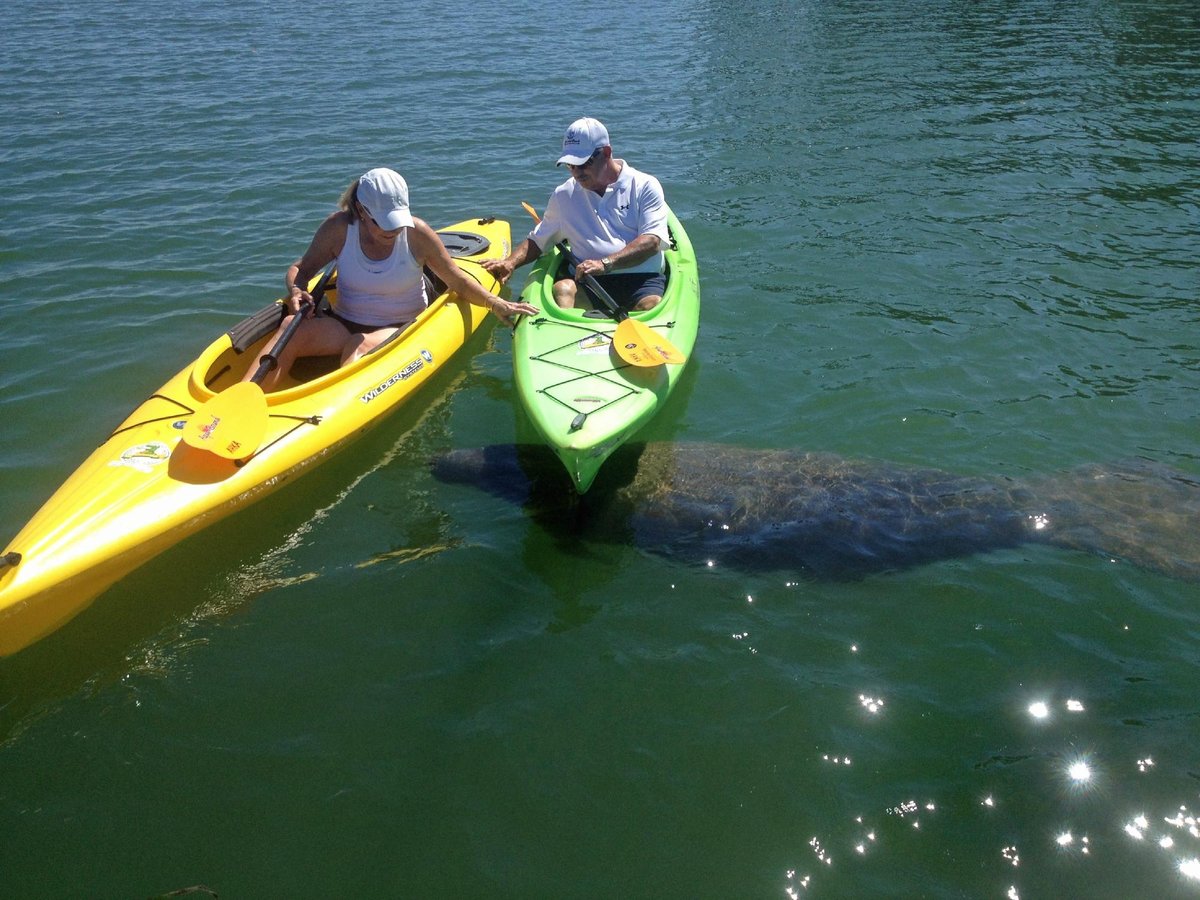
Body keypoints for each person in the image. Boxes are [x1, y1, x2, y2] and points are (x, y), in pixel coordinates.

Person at [244, 167, 537, 389]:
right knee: (290, 329)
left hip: (400, 329)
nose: (393, 230)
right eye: (383, 224)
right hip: (343, 322)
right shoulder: (337, 229)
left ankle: (330, 412)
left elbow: (456, 280)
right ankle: (247, 400)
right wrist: (295, 290)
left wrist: (495, 303)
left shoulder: (417, 234)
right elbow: (301, 269)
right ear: (360, 210)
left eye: (397, 221)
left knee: (358, 345)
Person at [481, 117, 671, 311]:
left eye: (584, 163)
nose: (577, 172)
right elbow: (539, 240)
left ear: (606, 153)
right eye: (570, 165)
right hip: (589, 280)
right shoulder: (563, 195)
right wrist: (510, 263)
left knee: (651, 304)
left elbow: (652, 241)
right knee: (563, 289)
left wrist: (605, 264)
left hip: (641, 278)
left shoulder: (644, 185)